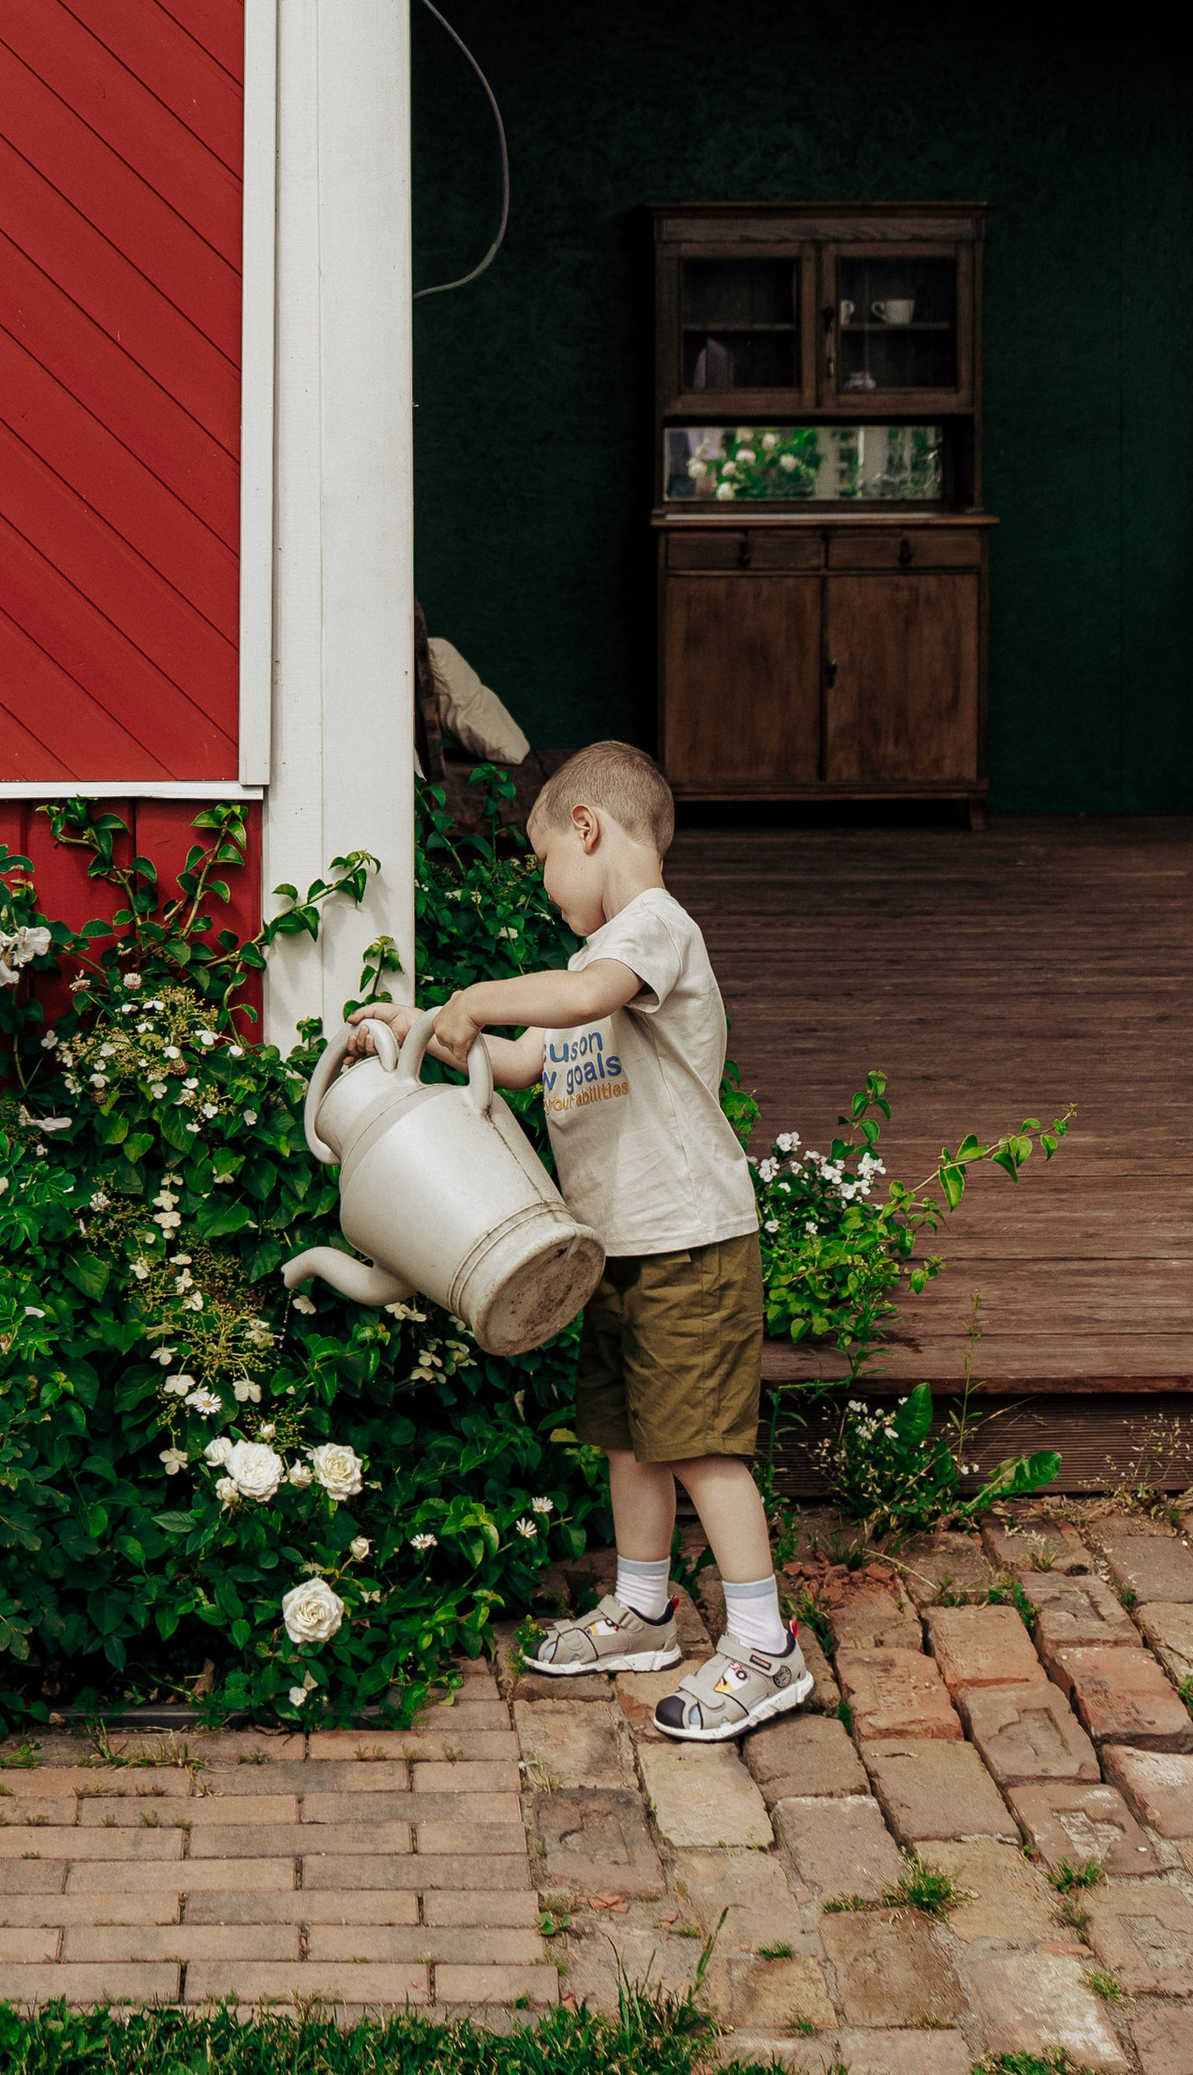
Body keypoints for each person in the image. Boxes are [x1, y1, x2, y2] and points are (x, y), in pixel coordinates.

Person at [383, 738, 809, 1738]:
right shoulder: (591, 965)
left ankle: (762, 1647)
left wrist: (477, 995)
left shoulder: (651, 933)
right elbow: (529, 1056)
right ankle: (644, 1609)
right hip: (613, 1245)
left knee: (699, 1444)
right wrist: (413, 1026)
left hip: (688, 1239)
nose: (541, 885)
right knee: (628, 1437)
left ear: (587, 829)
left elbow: (574, 1001)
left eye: (541, 862)